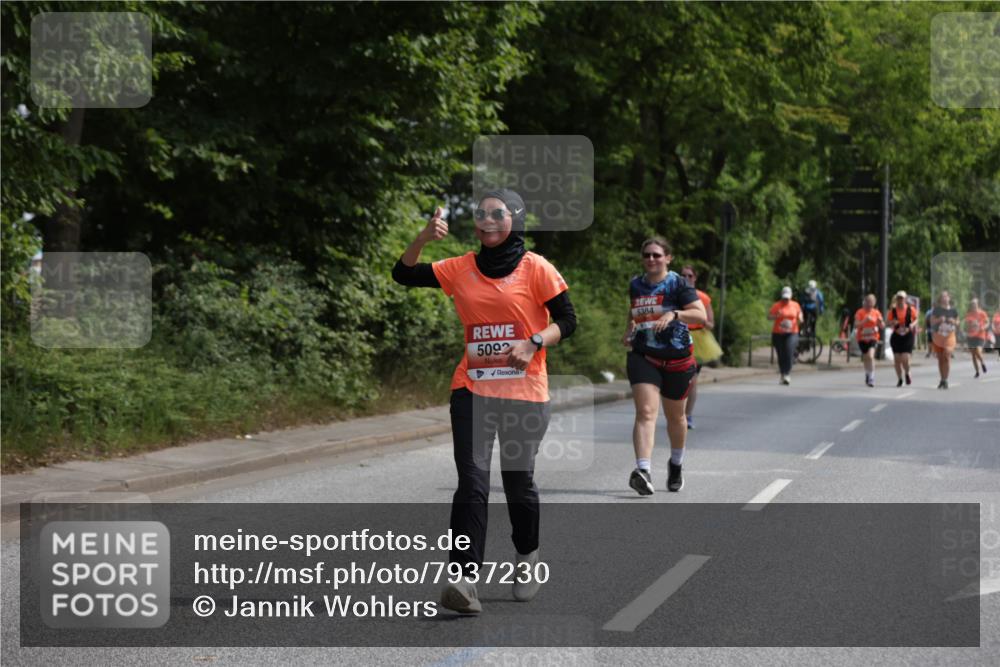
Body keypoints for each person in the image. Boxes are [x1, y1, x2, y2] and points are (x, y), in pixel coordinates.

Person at [391, 189, 576, 613]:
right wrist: (422, 238)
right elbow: (403, 274)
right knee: (472, 482)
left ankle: (527, 556)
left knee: (517, 483)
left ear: (515, 218)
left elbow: (568, 320)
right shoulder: (460, 268)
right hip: (472, 389)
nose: (486, 220)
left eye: (497, 213)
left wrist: (533, 342)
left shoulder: (536, 267)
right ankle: (464, 580)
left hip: (525, 393)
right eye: (480, 213)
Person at [623, 239, 706, 496]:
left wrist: (674, 314)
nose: (651, 259)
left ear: (668, 258)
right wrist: (629, 329)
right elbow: (635, 309)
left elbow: (700, 315)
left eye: (657, 255)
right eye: (647, 255)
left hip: (677, 359)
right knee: (646, 412)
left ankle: (676, 464)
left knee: (676, 418)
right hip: (644, 356)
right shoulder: (636, 284)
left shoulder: (679, 284)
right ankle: (643, 471)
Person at [679, 265, 716, 430]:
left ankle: (688, 415)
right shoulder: (674, 294)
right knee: (678, 380)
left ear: (695, 278)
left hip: (698, 339)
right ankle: (677, 414)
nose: (686, 278)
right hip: (678, 336)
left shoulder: (703, 297)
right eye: (683, 275)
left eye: (689, 276)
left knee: (692, 380)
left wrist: (701, 319)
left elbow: (711, 324)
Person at [768, 286, 803, 385]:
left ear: (790, 297)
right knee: (781, 354)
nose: (785, 300)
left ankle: (787, 374)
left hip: (792, 333)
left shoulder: (795, 305)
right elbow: (769, 317)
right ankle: (782, 374)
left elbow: (800, 314)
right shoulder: (776, 305)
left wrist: (800, 318)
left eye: (787, 298)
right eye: (784, 298)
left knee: (789, 351)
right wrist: (776, 316)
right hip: (778, 333)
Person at [887, 290, 918, 386]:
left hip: (907, 336)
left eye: (902, 298)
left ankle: (907, 373)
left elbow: (916, 319)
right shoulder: (893, 311)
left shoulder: (910, 309)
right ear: (896, 299)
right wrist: (892, 323)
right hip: (896, 336)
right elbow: (888, 322)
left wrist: (912, 324)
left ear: (905, 299)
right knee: (897, 359)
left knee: (905, 358)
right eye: (899, 298)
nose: (900, 300)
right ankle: (900, 379)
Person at [854, 293, 886, 387]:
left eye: (871, 302)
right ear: (865, 302)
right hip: (862, 338)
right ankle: (867, 374)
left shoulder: (876, 313)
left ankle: (871, 377)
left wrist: (880, 322)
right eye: (867, 301)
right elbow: (856, 325)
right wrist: (865, 320)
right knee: (865, 357)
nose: (869, 304)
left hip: (873, 337)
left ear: (874, 303)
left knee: (871, 356)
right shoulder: (860, 312)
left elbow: (882, 326)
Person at [929, 291, 959, 389]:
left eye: (946, 296)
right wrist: (938, 320)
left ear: (949, 298)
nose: (944, 298)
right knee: (940, 359)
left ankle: (945, 379)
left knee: (946, 355)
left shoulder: (953, 310)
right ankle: (942, 379)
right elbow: (931, 322)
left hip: (950, 336)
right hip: (938, 336)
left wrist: (953, 321)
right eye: (942, 297)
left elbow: (958, 322)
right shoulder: (936, 310)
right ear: (940, 299)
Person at [963, 297, 989, 378]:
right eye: (972, 304)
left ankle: (982, 362)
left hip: (980, 335)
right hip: (971, 336)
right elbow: (966, 325)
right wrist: (966, 329)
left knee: (977, 350)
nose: (973, 305)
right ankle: (977, 372)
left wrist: (984, 327)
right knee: (973, 354)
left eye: (974, 304)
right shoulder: (968, 314)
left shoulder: (982, 313)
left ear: (978, 304)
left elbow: (987, 322)